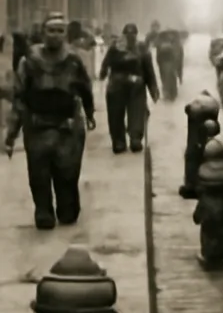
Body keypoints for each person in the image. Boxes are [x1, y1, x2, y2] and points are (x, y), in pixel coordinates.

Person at [4, 12, 96, 229]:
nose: (55, 35)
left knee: (67, 173)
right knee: (39, 174)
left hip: (67, 127)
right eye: (51, 30)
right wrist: (10, 134)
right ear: (43, 33)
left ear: (65, 34)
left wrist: (90, 113)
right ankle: (43, 210)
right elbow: (19, 97)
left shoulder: (73, 61)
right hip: (37, 126)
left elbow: (85, 89)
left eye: (60, 31)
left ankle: (67, 207)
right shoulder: (29, 62)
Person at [100, 23, 160, 153]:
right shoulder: (116, 47)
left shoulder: (141, 48)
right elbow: (106, 63)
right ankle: (120, 141)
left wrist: (153, 88)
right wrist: (102, 74)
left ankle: (134, 138)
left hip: (133, 86)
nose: (130, 36)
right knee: (117, 113)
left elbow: (148, 70)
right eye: (128, 34)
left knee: (137, 112)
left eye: (132, 34)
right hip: (119, 85)